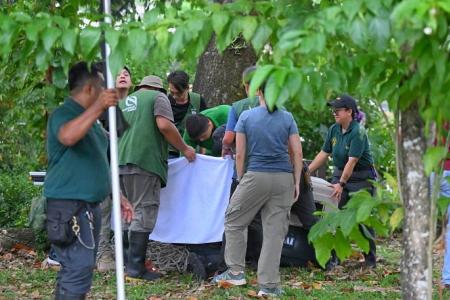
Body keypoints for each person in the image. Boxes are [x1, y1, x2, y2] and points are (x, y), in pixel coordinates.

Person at [44, 61, 134, 299]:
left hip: (87, 207)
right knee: (78, 269)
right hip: (69, 206)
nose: (106, 91)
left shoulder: (91, 123)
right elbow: (68, 136)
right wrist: (98, 108)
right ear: (89, 89)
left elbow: (100, 161)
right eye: (102, 86)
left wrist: (118, 195)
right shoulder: (64, 114)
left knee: (79, 270)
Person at [212, 83, 303, 297]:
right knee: (274, 233)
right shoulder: (288, 118)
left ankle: (235, 272)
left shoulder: (247, 117)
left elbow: (240, 153)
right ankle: (269, 286)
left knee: (234, 220)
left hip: (256, 175)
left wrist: (243, 178)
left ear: (258, 91)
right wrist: (297, 181)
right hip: (283, 179)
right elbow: (297, 153)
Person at [118, 74, 196, 281]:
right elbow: (164, 125)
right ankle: (135, 270)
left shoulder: (124, 102)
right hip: (144, 161)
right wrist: (184, 148)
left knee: (127, 213)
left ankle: (127, 266)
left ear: (140, 86)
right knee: (144, 211)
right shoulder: (157, 98)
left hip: (119, 163)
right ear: (159, 89)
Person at [308, 95, 377, 268]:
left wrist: (341, 184)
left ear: (349, 112)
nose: (334, 113)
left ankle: (370, 262)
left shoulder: (358, 132)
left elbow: (352, 161)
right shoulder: (334, 129)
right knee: (333, 216)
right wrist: (306, 172)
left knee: (362, 220)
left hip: (361, 180)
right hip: (341, 176)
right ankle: (334, 259)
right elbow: (324, 154)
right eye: (333, 109)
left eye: (338, 110)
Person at [97, 67, 133, 272]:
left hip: (128, 166)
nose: (122, 76)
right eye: (118, 74)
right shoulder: (104, 105)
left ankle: (125, 254)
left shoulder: (136, 105)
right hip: (105, 166)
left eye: (126, 74)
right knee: (103, 210)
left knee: (126, 211)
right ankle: (103, 255)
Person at [167, 70, 208, 157]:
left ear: (187, 88)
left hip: (192, 152)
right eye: (171, 92)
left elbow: (205, 126)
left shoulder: (198, 100)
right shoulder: (164, 101)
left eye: (178, 93)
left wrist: (203, 151)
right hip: (168, 152)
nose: (174, 96)